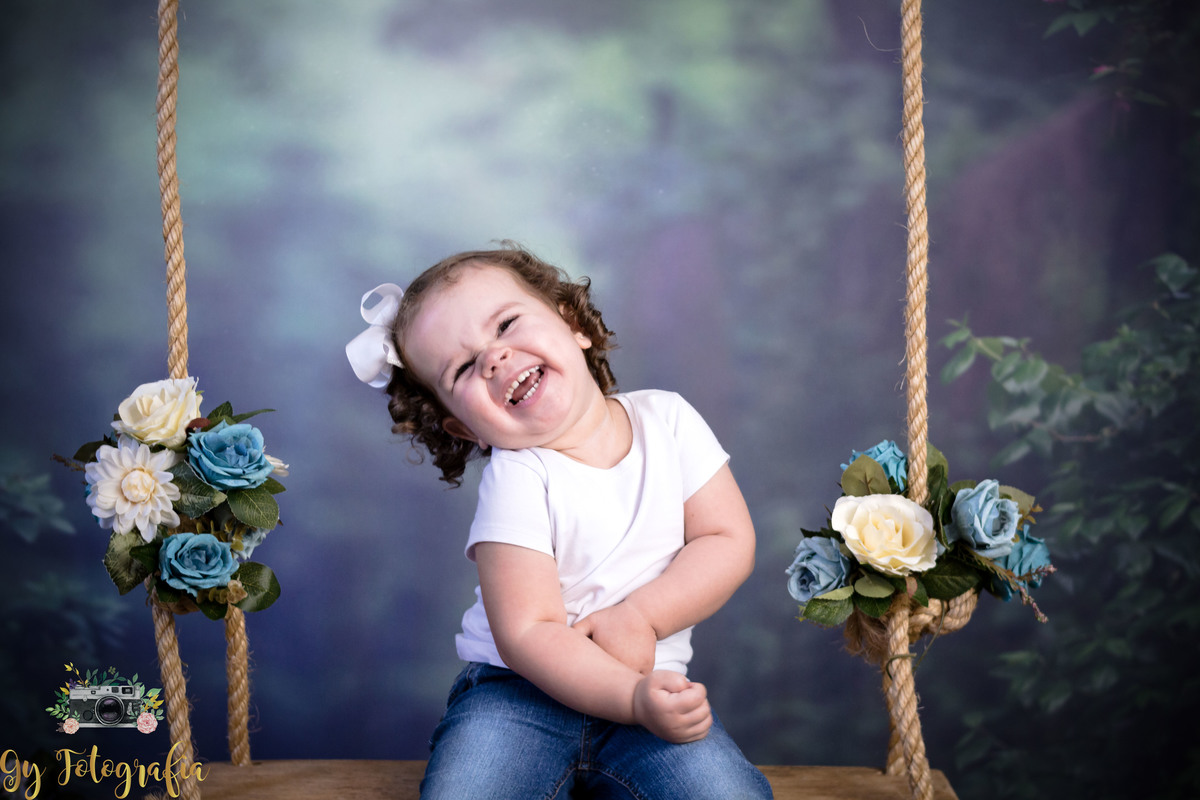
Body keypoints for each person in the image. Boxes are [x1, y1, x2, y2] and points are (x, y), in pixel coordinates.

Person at [347, 244, 773, 799]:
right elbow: (528, 631)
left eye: (505, 324)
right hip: (518, 696)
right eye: (464, 368)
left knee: (726, 794)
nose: (494, 358)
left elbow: (726, 539)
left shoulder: (667, 420)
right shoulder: (518, 476)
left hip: (649, 687)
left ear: (573, 324)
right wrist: (628, 697)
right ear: (465, 429)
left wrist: (641, 618)